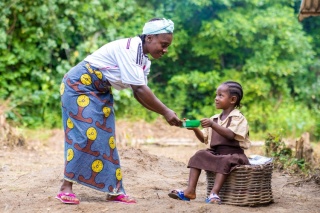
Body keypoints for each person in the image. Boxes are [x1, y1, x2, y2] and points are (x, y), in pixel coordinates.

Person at [56, 17, 182, 205]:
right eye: (163, 44)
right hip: (79, 85)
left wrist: (163, 113)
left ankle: (113, 190)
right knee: (86, 135)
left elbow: (139, 93)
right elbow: (140, 89)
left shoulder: (144, 62)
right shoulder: (129, 49)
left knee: (107, 138)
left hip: (100, 90)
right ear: (149, 38)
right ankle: (65, 187)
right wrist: (166, 111)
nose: (165, 50)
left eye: (167, 46)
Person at [168, 81, 251, 204]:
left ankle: (214, 193)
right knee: (199, 155)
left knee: (225, 160)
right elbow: (204, 139)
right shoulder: (214, 118)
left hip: (234, 155)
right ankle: (190, 190)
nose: (216, 98)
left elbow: (230, 134)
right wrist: (195, 129)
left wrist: (212, 125)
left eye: (220, 95)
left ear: (233, 99)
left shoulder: (238, 118)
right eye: (216, 95)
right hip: (216, 153)